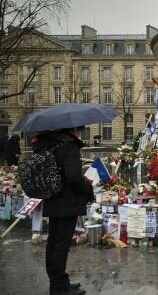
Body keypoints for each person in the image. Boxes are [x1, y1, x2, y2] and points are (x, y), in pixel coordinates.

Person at [32, 126, 95, 295]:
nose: (79, 133)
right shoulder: (69, 148)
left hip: (53, 199)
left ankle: (58, 281)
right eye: (78, 130)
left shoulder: (49, 146)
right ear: (71, 130)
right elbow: (73, 177)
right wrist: (88, 188)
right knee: (61, 245)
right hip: (68, 201)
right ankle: (60, 287)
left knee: (53, 242)